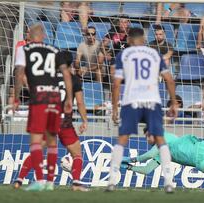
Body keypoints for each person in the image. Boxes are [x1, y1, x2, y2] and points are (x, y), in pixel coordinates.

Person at [106, 27, 178, 193]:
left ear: (129, 40)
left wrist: (115, 107)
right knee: (160, 139)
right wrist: (173, 102)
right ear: (144, 39)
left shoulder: (123, 55)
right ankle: (168, 182)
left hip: (132, 101)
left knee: (123, 138)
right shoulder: (155, 55)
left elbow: (116, 83)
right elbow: (169, 79)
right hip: (152, 100)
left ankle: (111, 180)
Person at [13, 53, 89, 192]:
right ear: (70, 64)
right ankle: (76, 183)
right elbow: (79, 102)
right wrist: (84, 120)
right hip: (64, 122)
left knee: (37, 151)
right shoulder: (74, 79)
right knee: (77, 154)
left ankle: (19, 180)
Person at [13, 23, 73, 191]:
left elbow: (19, 73)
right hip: (55, 97)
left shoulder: (23, 49)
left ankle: (39, 180)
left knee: (36, 141)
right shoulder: (54, 50)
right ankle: (50, 182)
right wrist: (69, 98)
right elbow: (67, 74)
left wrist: (16, 97)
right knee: (52, 140)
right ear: (44, 36)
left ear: (30, 37)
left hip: (39, 96)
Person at [99, 16, 130, 85]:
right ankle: (113, 89)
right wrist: (106, 54)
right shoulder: (113, 31)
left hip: (129, 57)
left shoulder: (132, 32)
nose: (123, 24)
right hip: (116, 56)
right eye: (121, 22)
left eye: (125, 22)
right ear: (119, 23)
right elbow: (102, 45)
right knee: (112, 69)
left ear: (128, 23)